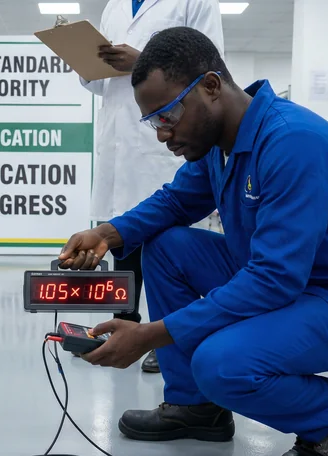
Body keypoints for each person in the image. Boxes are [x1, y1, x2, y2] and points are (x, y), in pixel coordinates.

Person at [58, 27, 328, 456]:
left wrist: (149, 335)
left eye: (168, 114)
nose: (163, 134)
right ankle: (195, 407)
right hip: (280, 277)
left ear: (211, 86)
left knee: (221, 364)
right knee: (166, 246)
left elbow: (274, 278)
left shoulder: (293, 142)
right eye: (153, 122)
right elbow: (176, 202)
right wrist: (107, 233)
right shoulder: (220, 144)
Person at [80, 0, 224, 374]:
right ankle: (123, 323)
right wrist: (86, 65)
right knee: (121, 240)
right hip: (119, 140)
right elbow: (101, 86)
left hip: (160, 141)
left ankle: (167, 334)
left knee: (164, 241)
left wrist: (142, 62)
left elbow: (210, 64)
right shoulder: (113, 7)